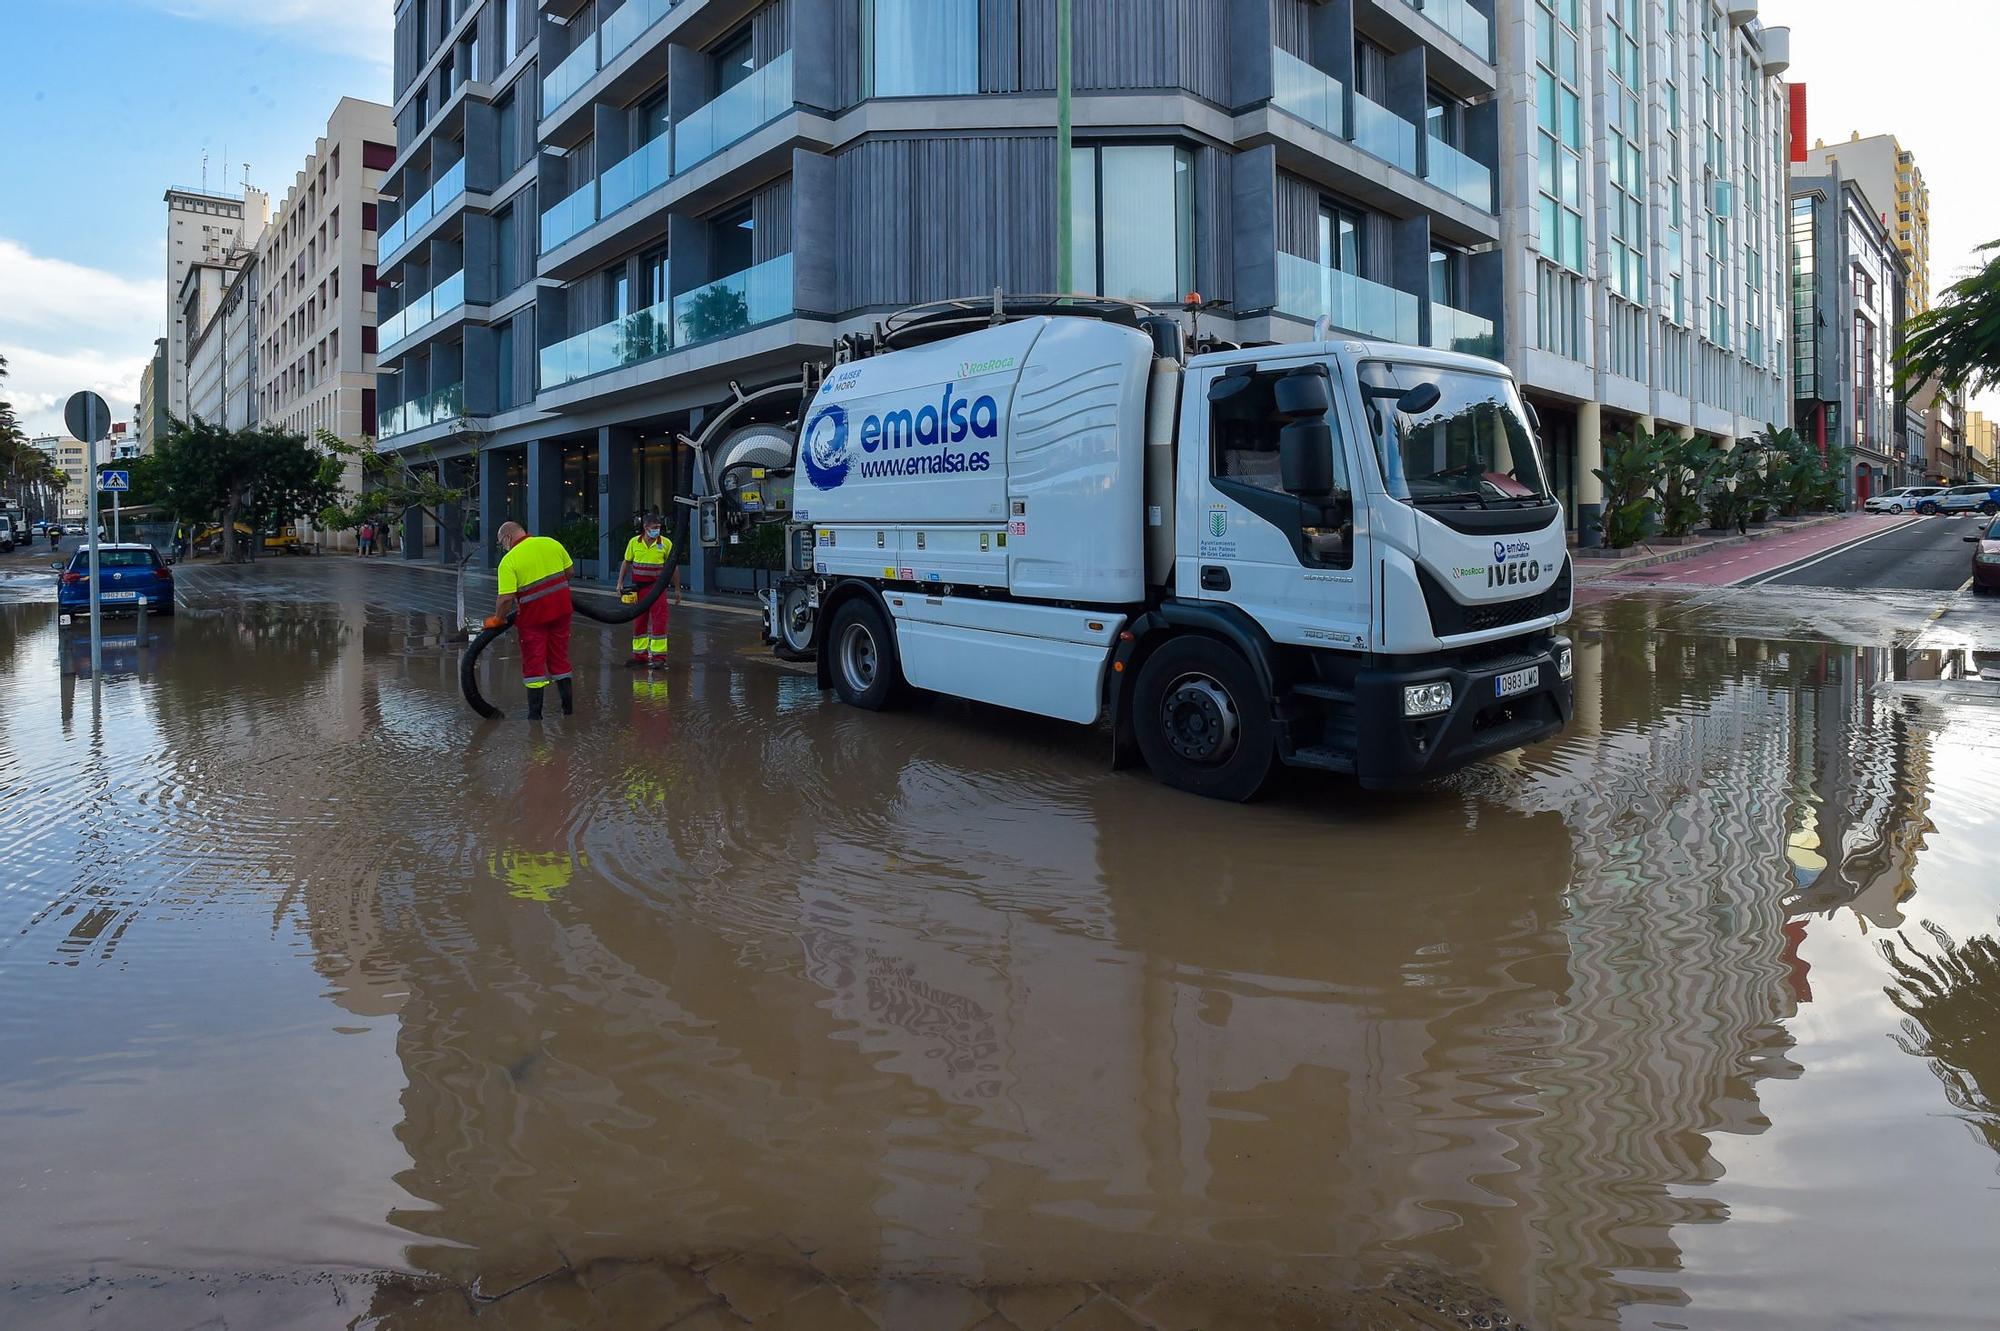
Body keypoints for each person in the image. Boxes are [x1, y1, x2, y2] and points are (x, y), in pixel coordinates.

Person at [488, 521, 575, 720]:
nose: (503, 547)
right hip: (562, 611)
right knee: (559, 659)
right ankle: (568, 711)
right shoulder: (551, 543)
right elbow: (569, 572)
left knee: (534, 665)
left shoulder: (509, 561)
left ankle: (535, 718)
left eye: (502, 543)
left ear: (508, 537)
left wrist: (497, 620)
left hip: (533, 619)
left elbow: (506, 598)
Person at [615, 514, 677, 667]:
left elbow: (673, 567)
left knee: (659, 621)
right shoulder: (634, 542)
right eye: (654, 528)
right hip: (640, 589)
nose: (657, 531)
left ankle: (659, 658)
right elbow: (626, 562)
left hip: (657, 589)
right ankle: (640, 656)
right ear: (645, 528)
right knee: (639, 621)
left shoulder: (666, 543)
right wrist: (620, 583)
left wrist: (677, 589)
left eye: (658, 528)